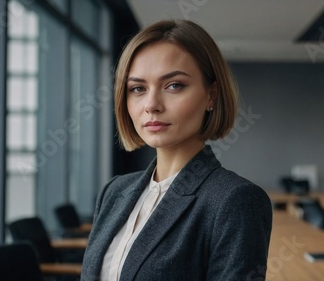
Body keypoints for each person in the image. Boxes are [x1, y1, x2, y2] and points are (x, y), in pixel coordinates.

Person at [81, 19, 272, 281]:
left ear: (211, 95)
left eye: (174, 85)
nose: (151, 105)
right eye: (137, 88)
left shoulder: (234, 201)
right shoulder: (114, 191)